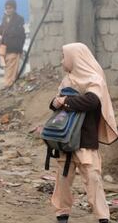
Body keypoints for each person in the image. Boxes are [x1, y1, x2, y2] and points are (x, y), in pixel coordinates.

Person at [50, 43, 117, 223]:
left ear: (75, 58)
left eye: (65, 57)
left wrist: (65, 100)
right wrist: (56, 102)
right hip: (66, 139)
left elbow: (91, 101)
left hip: (86, 139)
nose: (62, 61)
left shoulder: (94, 79)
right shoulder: (67, 79)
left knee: (93, 178)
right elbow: (55, 103)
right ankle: (62, 214)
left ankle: (103, 217)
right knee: (63, 179)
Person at [0, 0, 26, 88]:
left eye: (10, 8)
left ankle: (8, 85)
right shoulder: (5, 18)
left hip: (14, 48)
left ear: (14, 8)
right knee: (9, 69)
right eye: (6, 8)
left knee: (11, 69)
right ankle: (11, 85)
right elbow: (2, 31)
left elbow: (20, 35)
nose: (8, 10)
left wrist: (19, 48)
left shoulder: (18, 20)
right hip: (6, 48)